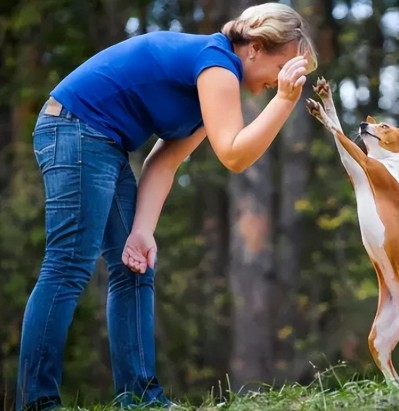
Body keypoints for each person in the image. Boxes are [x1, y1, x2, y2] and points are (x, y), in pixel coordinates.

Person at [16, 2, 318, 410]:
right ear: (256, 48)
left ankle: (141, 399)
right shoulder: (217, 65)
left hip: (102, 141)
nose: (283, 80)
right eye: (285, 66)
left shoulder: (210, 85)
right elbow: (233, 156)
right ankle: (36, 402)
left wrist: (141, 231)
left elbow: (165, 161)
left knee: (135, 265)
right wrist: (283, 101)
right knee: (68, 265)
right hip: (74, 126)